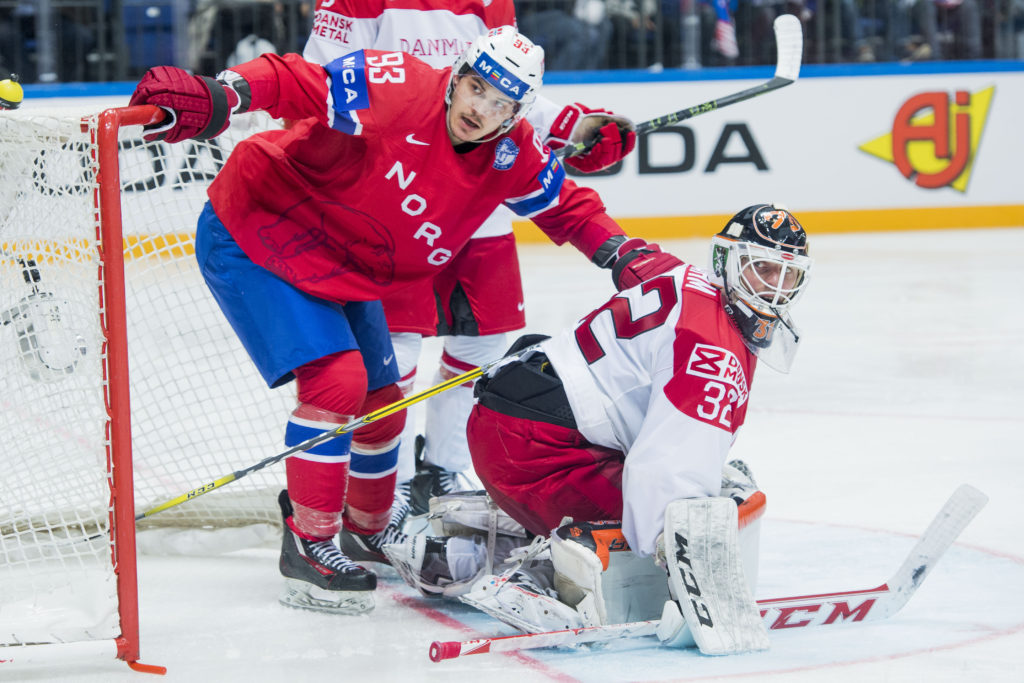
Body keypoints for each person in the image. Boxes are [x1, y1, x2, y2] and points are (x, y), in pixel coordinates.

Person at [127, 27, 662, 615]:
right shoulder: (397, 84)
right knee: (338, 383)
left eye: (500, 104)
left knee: (382, 399)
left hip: (347, 263)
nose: (480, 110)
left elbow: (569, 210)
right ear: (457, 77)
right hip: (260, 229)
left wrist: (628, 255)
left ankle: (368, 526)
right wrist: (227, 93)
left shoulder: (513, 154)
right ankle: (308, 543)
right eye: (476, 88)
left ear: (516, 114)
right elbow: (294, 80)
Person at [383, 204, 813, 652]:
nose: (774, 287)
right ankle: (540, 581)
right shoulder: (713, 352)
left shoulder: (679, 273)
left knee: (685, 493)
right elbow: (665, 475)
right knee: (684, 514)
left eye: (789, 275)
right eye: (761, 268)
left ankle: (469, 549)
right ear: (724, 261)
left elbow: (632, 261)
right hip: (539, 452)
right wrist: (685, 566)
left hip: (514, 420)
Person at [302, 0, 638, 538]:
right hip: (394, 192)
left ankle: (442, 470)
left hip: (475, 200)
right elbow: (325, 80)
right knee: (393, 359)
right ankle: (388, 490)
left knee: (483, 346)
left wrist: (568, 126)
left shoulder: (490, 3)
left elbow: (501, 81)